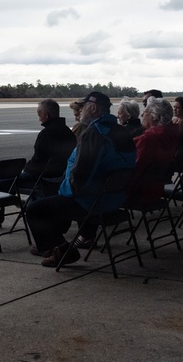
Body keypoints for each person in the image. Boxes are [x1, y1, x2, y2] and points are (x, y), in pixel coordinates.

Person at [26, 92, 136, 267]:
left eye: (83, 107)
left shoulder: (93, 134)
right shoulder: (120, 131)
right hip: (116, 198)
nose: (80, 111)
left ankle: (62, 250)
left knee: (35, 210)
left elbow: (80, 176)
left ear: (92, 108)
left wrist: (62, 193)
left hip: (93, 201)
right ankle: (50, 246)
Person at [0, 99, 76, 226]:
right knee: (12, 182)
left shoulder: (46, 134)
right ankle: (5, 209)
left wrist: (26, 168)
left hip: (43, 179)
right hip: (60, 177)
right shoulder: (68, 133)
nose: (39, 118)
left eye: (39, 113)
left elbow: (38, 162)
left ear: (46, 115)